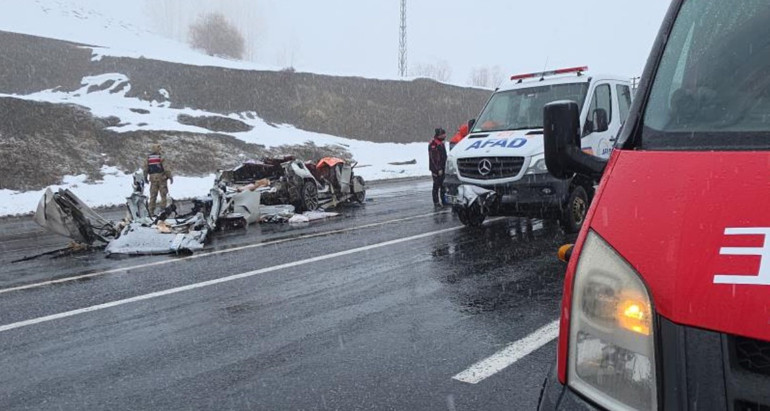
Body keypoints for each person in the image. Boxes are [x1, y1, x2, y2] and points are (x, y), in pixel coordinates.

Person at [142, 143, 173, 215]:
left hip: (152, 179)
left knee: (153, 196)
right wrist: (170, 176)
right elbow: (166, 168)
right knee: (163, 195)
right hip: (162, 178)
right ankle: (163, 210)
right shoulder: (161, 157)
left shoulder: (148, 158)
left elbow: (145, 169)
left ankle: (151, 212)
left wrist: (145, 177)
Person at [428, 128, 448, 208]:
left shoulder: (441, 143)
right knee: (436, 185)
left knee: (443, 185)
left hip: (443, 167)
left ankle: (444, 201)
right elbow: (434, 158)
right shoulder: (434, 144)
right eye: (443, 134)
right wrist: (438, 168)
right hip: (436, 169)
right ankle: (436, 202)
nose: (444, 136)